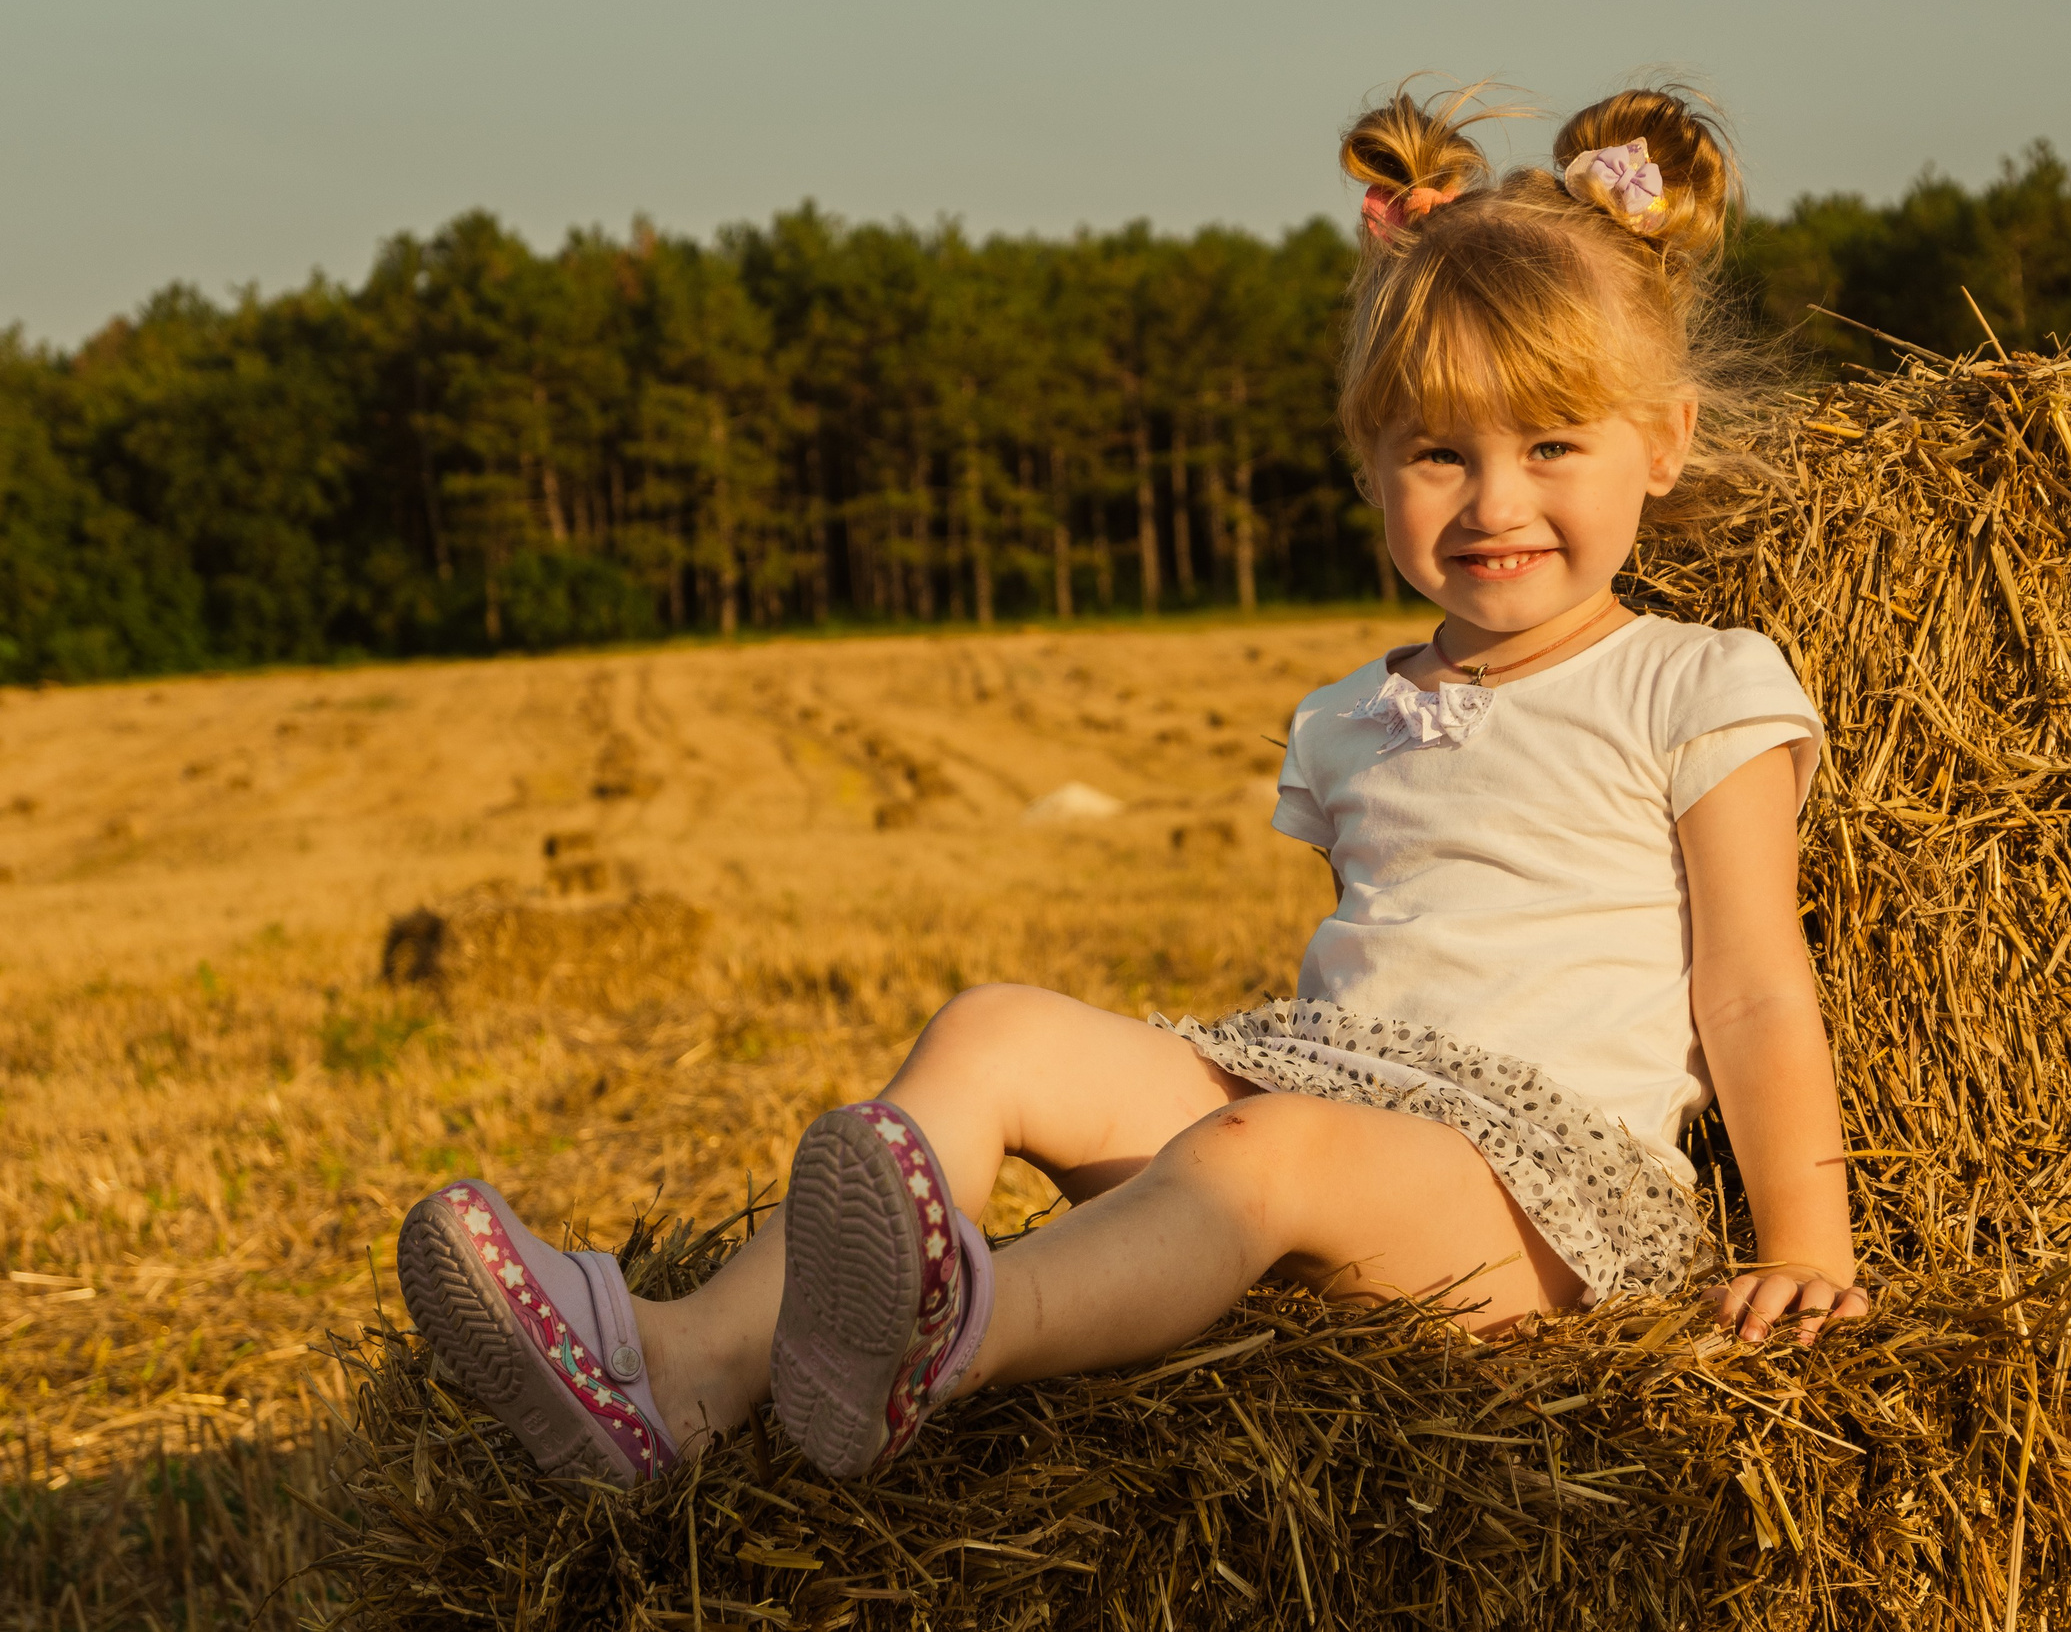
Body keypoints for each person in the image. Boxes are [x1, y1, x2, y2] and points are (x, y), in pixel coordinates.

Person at [395, 81, 1870, 1488]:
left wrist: (1809, 1247)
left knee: (1266, 1152)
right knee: (995, 1030)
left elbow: (1751, 985)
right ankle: (683, 1368)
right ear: (1368, 463)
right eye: (1439, 451)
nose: (1495, 501)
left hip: (1540, 1207)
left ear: (1662, 442)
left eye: (1551, 444)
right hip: (1328, 1091)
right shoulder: (1352, 715)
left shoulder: (1695, 681)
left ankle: (956, 1336)